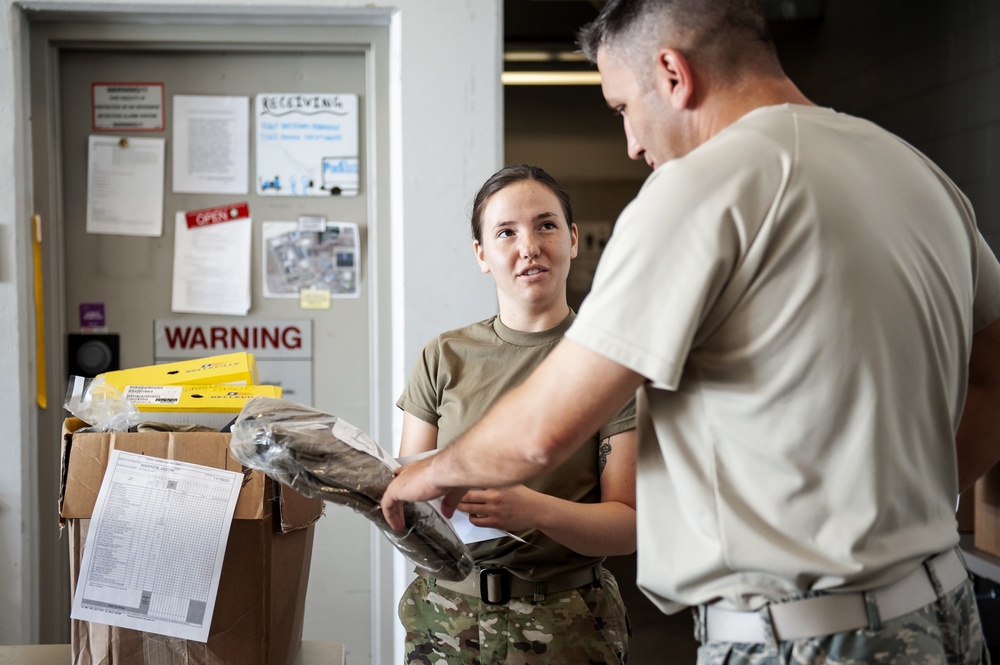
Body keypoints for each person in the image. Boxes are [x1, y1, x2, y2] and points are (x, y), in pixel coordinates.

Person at [383, 1, 1000, 663]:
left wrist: (427, 473)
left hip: (804, 633)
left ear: (673, 74)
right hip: (943, 609)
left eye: (623, 107)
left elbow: (543, 430)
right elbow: (994, 377)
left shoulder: (702, 189)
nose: (632, 143)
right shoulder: (916, 172)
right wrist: (896, 522)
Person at [395, 164, 638, 665]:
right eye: (506, 232)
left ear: (572, 238)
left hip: (567, 624)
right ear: (482, 255)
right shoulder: (443, 356)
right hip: (443, 618)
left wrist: (534, 511)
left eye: (546, 225)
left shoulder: (607, 363)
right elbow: (410, 503)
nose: (528, 246)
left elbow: (629, 527)